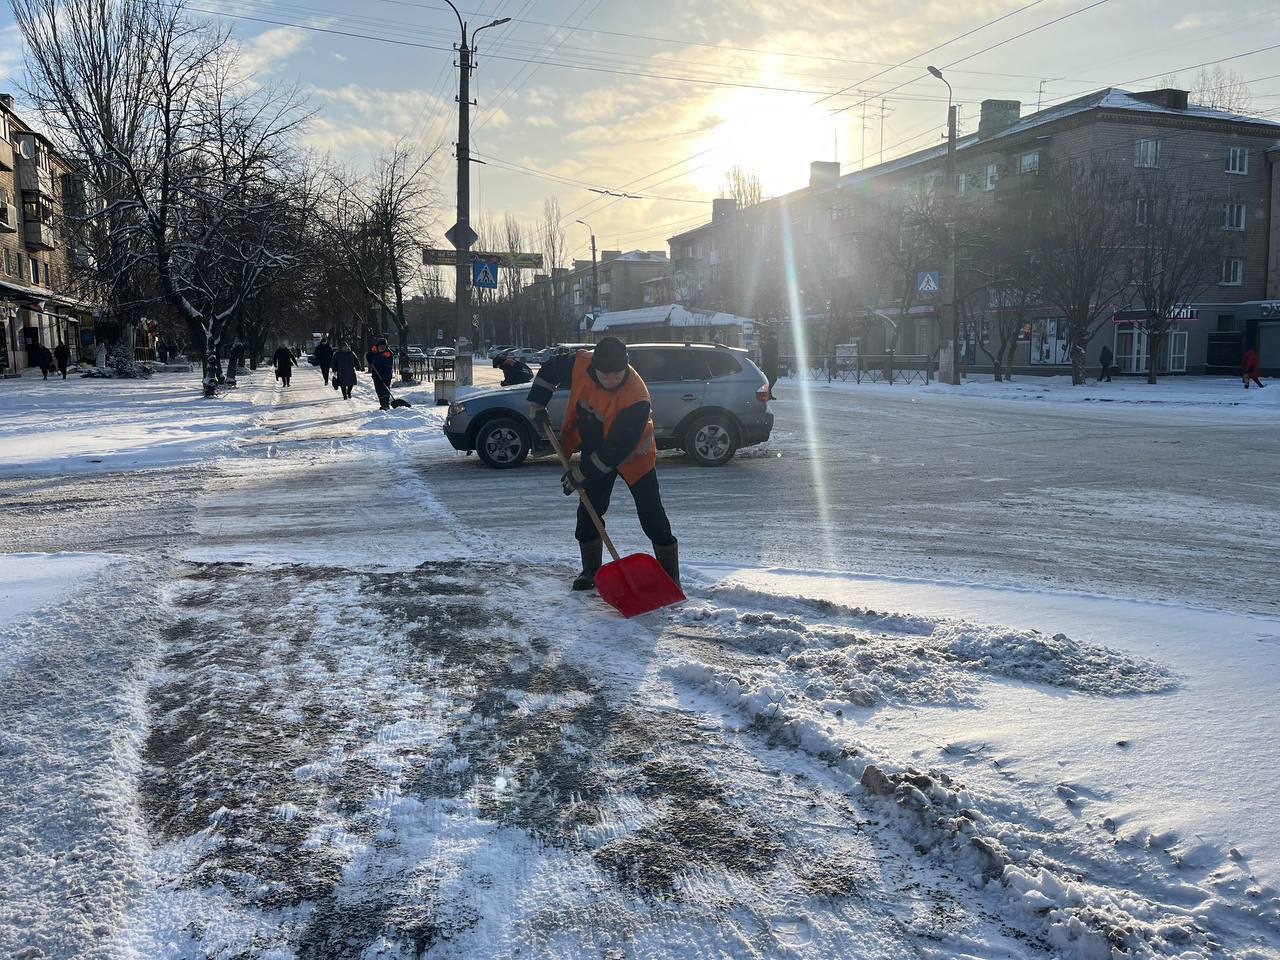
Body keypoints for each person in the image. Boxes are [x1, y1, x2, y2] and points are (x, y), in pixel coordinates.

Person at [527, 336, 679, 591]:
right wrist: (537, 401)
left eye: (616, 374)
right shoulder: (580, 364)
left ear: (625, 366)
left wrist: (582, 473)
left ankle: (670, 576)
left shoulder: (637, 396)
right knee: (589, 510)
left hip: (634, 456)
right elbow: (550, 370)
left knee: (651, 514)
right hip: (595, 445)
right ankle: (591, 571)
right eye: (604, 374)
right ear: (594, 366)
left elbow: (616, 449)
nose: (610, 380)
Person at [366, 336, 395, 409]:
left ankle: (386, 404)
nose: (382, 347)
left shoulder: (388, 353)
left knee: (385, 389)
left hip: (386, 374)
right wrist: (370, 361)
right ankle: (382, 404)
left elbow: (389, 366)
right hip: (376, 374)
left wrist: (385, 376)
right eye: (381, 346)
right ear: (378, 346)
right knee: (378, 390)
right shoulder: (374, 350)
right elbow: (368, 355)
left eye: (384, 346)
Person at [760, 332, 779, 399]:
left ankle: (767, 394)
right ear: (773, 336)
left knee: (768, 380)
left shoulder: (766, 342)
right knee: (773, 379)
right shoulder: (773, 342)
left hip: (767, 365)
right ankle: (766, 394)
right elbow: (773, 355)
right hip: (771, 365)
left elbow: (762, 348)